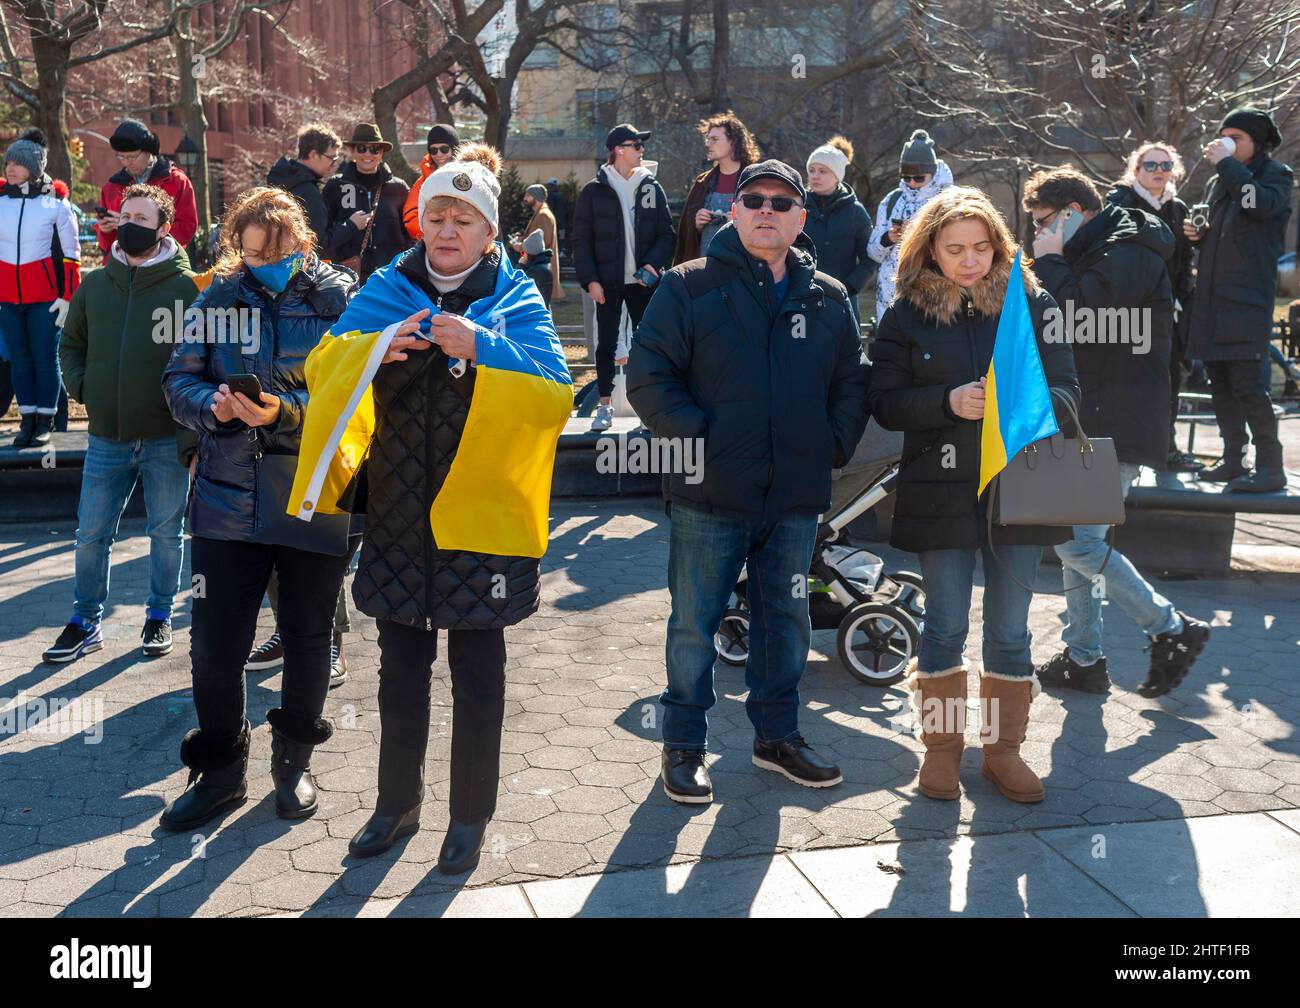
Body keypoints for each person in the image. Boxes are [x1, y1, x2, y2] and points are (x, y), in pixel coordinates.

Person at [291, 143, 571, 871]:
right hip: (398, 517)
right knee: (398, 669)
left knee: (480, 673)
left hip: (483, 520)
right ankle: (395, 805)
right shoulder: (384, 288)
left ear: (488, 233)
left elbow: (555, 393)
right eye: (438, 216)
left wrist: (485, 348)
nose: (448, 230)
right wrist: (373, 351)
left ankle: (470, 817)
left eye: (465, 219)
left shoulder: (516, 299)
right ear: (422, 225)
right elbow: (322, 365)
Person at [627, 160, 870, 805]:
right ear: (733, 211)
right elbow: (650, 377)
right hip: (709, 494)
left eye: (782, 202)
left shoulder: (828, 295)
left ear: (800, 217)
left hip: (793, 496)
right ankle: (683, 746)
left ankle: (777, 737)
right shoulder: (688, 286)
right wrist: (699, 439)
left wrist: (833, 444)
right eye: (754, 199)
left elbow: (852, 379)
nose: (767, 209)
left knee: (785, 620)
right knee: (695, 623)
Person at [866, 186, 1079, 805]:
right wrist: (945, 402)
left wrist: (1024, 407)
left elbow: (1068, 392)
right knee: (943, 626)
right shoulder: (904, 311)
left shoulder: (1029, 303)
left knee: (1011, 633)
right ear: (929, 247)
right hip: (940, 489)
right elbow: (881, 401)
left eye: (981, 248)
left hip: (1020, 489)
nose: (969, 260)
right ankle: (942, 754)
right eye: (955, 248)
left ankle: (1002, 753)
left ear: (998, 246)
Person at [159, 187, 359, 830]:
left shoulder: (340, 298)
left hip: (312, 492)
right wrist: (210, 407)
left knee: (306, 638)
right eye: (248, 255)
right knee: (215, 647)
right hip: (224, 499)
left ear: (301, 243)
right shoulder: (217, 297)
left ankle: (294, 766)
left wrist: (286, 411)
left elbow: (360, 395)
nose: (262, 265)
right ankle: (219, 774)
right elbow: (176, 379)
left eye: (275, 254)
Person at [1025, 166, 1212, 698]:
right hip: (1092, 415)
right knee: (1079, 539)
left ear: (1071, 214)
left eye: (1043, 223)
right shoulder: (1100, 250)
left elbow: (1079, 317)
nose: (1037, 234)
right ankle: (1084, 658)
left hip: (1117, 419)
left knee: (1076, 543)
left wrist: (1053, 260)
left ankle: (1170, 627)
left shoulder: (1128, 248)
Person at [43, 185, 198, 663]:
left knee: (165, 534)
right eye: (125, 214)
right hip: (106, 435)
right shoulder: (94, 284)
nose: (130, 223)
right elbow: (70, 345)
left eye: (141, 217)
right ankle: (85, 621)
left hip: (165, 436)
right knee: (91, 535)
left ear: (163, 228)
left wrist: (192, 434)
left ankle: (158, 617)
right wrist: (85, 389)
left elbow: (203, 361)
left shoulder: (187, 289)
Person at [1185, 108, 1294, 493]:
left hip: (1247, 304)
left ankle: (1270, 468)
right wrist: (1198, 235)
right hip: (1213, 303)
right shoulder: (1221, 182)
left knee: (1250, 388)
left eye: (1238, 137)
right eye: (1224, 135)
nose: (1228, 142)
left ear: (1257, 143)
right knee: (1222, 387)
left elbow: (1256, 204)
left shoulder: (1275, 176)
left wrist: (1228, 163)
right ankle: (1234, 462)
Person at [573, 123, 675, 433]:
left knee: (647, 346)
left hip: (643, 283)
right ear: (619, 149)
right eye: (636, 145)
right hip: (607, 282)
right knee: (606, 344)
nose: (642, 151)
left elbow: (666, 234)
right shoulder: (594, 191)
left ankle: (647, 409)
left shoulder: (650, 187)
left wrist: (653, 266)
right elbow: (581, 240)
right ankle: (604, 407)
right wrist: (590, 279)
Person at [1107, 143, 1199, 472]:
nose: (1158, 170)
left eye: (1165, 164)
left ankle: (1165, 449)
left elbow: (1186, 258)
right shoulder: (1120, 201)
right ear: (1136, 169)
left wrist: (1181, 295)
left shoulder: (1178, 208)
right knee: (1127, 380)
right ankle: (1122, 451)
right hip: (1129, 311)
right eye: (1150, 165)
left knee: (1168, 380)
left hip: (1169, 312)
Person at [1, 130, 80, 448]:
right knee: (19, 360)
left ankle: (45, 421)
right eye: (8, 161)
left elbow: (71, 255)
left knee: (45, 360)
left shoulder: (56, 205)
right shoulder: (1, 202)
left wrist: (67, 297)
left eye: (17, 163)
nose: (10, 167)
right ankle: (27, 420)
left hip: (45, 300)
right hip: (7, 299)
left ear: (34, 167)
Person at [868, 129, 953, 326]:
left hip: (932, 294)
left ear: (932, 173)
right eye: (906, 177)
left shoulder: (947, 201)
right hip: (889, 296)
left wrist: (922, 236)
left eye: (918, 178)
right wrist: (888, 238)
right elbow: (872, 253)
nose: (912, 183)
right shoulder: (891, 201)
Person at [322, 123, 412, 280]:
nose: (368, 154)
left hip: (391, 278)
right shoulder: (335, 186)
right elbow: (323, 239)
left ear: (382, 152)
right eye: (362, 148)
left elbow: (411, 235)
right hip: (349, 278)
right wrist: (349, 227)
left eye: (374, 149)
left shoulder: (399, 188)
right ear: (352, 151)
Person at [95, 119, 198, 257]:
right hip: (121, 266)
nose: (127, 163)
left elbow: (187, 228)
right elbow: (106, 246)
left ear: (150, 151)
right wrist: (104, 230)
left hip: (163, 264)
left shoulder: (177, 181)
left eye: (132, 157)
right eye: (122, 157)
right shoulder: (111, 187)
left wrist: (130, 224)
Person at [803, 135, 874, 327]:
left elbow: (870, 258)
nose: (815, 176)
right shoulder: (795, 206)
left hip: (842, 304)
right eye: (811, 170)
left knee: (844, 355)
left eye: (822, 171)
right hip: (800, 300)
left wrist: (849, 287)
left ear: (837, 176)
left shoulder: (855, 211)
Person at [672, 110, 760, 264]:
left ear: (733, 142)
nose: (708, 144)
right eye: (708, 139)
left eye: (714, 139)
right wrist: (696, 224)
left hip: (744, 268)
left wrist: (740, 222)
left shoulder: (755, 180)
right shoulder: (703, 182)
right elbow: (685, 235)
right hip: (705, 269)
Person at [266, 123, 342, 243]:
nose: (334, 165)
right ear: (313, 154)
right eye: (332, 159)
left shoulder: (282, 178)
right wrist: (351, 226)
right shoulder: (308, 192)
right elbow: (318, 243)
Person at [402, 123, 460, 240]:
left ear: (454, 149)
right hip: (435, 245)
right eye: (433, 150)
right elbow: (410, 218)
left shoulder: (471, 176)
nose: (439, 154)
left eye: (444, 149)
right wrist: (435, 234)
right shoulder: (423, 181)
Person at [511, 183, 563, 303]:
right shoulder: (540, 213)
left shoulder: (543, 215)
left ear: (537, 197)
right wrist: (522, 238)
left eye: (528, 195)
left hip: (540, 268)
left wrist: (521, 246)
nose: (525, 198)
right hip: (538, 266)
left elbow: (542, 242)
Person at [518, 228, 554, 308]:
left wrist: (520, 266)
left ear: (530, 254)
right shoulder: (540, 266)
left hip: (536, 314)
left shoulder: (538, 271)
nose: (522, 255)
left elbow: (517, 286)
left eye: (523, 252)